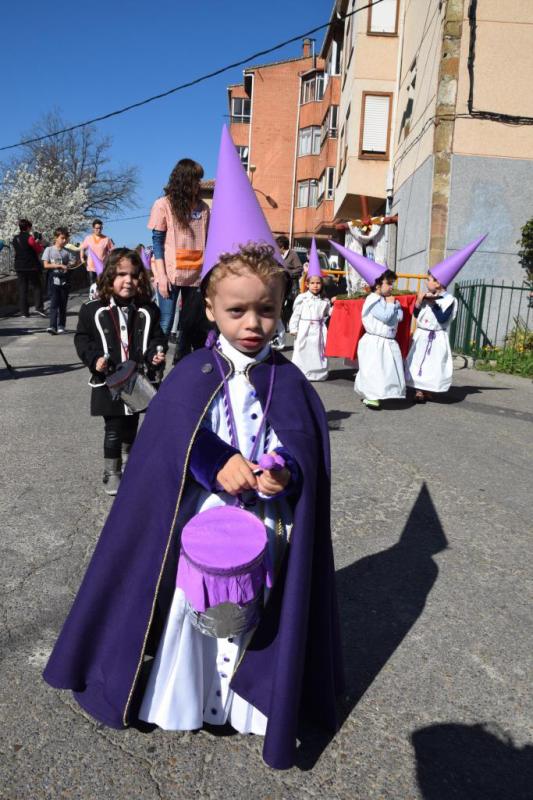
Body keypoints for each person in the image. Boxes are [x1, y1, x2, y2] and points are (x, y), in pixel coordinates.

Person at [43, 126, 343, 771]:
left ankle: (250, 706)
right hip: (203, 515)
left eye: (266, 310)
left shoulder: (288, 381)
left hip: (266, 517)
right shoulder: (188, 376)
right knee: (194, 607)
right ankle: (188, 701)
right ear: (209, 308)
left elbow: (301, 450)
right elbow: (169, 439)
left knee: (260, 605)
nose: (253, 324)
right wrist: (214, 463)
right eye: (238, 311)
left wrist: (282, 472)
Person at [74, 248, 166, 494]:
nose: (128, 280)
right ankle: (112, 472)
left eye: (134, 275)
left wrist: (156, 352)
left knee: (132, 423)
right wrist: (94, 359)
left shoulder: (148, 309)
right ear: (109, 276)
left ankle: (129, 464)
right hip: (108, 382)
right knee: (114, 428)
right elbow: (82, 340)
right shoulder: (92, 310)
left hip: (137, 380)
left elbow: (157, 337)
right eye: (122, 274)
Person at [405, 234, 487, 402]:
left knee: (433, 364)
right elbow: (415, 315)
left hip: (436, 336)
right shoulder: (427, 295)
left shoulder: (449, 300)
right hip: (422, 333)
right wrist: (419, 303)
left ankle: (428, 389)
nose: (427, 282)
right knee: (418, 360)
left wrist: (433, 303)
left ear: (439, 283)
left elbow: (443, 318)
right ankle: (418, 389)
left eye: (429, 280)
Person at [148, 158, 210, 363]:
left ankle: (182, 364)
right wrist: (161, 276)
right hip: (170, 273)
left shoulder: (203, 208)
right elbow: (157, 242)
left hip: (197, 276)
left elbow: (209, 240)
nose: (198, 185)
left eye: (199, 180)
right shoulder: (163, 204)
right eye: (195, 180)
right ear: (184, 180)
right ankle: (154, 367)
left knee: (191, 323)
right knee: (165, 323)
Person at [289, 239, 331, 381]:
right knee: (303, 349)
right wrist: (294, 328)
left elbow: (327, 314)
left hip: (318, 329)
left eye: (318, 283)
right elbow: (296, 314)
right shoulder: (302, 299)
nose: (315, 286)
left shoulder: (324, 300)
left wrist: (336, 307)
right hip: (305, 328)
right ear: (307, 284)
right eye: (312, 283)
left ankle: (318, 373)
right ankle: (302, 372)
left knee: (317, 350)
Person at [42, 227, 77, 334]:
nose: (64, 240)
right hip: (53, 279)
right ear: (56, 238)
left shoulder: (67, 252)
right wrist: (59, 265)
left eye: (66, 238)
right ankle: (52, 326)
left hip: (64, 281)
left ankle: (61, 325)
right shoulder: (49, 250)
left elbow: (72, 263)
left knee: (63, 304)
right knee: (54, 303)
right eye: (62, 238)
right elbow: (46, 264)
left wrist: (71, 264)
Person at [12, 219, 46, 318]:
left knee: (23, 289)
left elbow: (19, 250)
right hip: (31, 266)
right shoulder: (30, 238)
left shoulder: (15, 238)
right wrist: (38, 242)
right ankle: (39, 308)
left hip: (19, 266)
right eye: (30, 227)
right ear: (27, 227)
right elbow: (38, 249)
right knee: (37, 287)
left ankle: (24, 312)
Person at [80, 219, 115, 290]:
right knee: (93, 286)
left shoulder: (106, 239)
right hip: (91, 267)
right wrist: (82, 258)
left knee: (102, 286)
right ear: (93, 228)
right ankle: (93, 299)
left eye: (100, 228)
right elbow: (82, 248)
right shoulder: (88, 238)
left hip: (102, 267)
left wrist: (111, 262)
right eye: (96, 228)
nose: (98, 230)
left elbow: (112, 251)